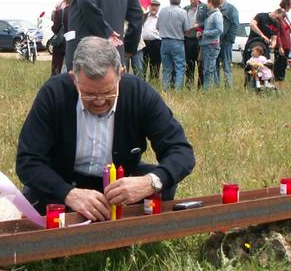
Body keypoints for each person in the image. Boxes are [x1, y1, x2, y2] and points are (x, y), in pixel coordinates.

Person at [16, 36, 196, 220]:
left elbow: (181, 151)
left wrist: (149, 182)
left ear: (121, 74)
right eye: (89, 94)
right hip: (63, 181)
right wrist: (68, 194)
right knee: (34, 202)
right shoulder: (54, 94)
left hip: (117, 186)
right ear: (73, 79)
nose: (100, 101)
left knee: (162, 184)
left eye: (108, 92)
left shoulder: (139, 93)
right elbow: (27, 161)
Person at [157, 0, 189, 90]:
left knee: (166, 68)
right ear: (179, 1)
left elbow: (157, 27)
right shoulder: (183, 12)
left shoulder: (162, 11)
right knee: (179, 67)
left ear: (170, 0)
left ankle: (165, 89)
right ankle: (178, 90)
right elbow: (186, 29)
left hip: (164, 41)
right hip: (177, 42)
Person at [214, 0, 239, 88]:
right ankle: (216, 87)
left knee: (226, 66)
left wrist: (229, 40)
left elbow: (235, 25)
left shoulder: (231, 9)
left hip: (226, 43)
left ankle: (228, 88)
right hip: (214, 42)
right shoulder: (213, 8)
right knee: (215, 66)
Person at [199, 0, 224, 90]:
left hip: (211, 45)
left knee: (208, 69)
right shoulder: (212, 15)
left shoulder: (216, 15)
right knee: (212, 69)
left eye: (208, 2)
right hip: (209, 44)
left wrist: (205, 33)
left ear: (211, 3)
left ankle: (206, 90)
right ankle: (216, 88)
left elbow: (219, 30)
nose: (207, 4)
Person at [183, 0, 206, 87]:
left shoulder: (204, 8)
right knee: (189, 64)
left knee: (200, 64)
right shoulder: (185, 8)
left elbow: (208, 21)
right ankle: (189, 84)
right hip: (188, 39)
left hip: (199, 40)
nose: (192, 1)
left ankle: (200, 86)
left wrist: (200, 26)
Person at [50, 0, 73, 76]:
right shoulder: (78, 14)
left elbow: (55, 29)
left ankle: (56, 84)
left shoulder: (60, 13)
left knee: (57, 68)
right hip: (73, 45)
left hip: (61, 44)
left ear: (65, 0)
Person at [273, 0, 291, 88]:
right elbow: (278, 33)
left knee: (283, 65)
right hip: (281, 46)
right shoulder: (279, 20)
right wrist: (280, 46)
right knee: (279, 66)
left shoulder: (285, 19)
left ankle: (280, 85)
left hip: (287, 45)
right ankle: (277, 85)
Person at [141, 0, 161, 79]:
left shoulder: (160, 18)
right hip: (144, 43)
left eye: (156, 6)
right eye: (152, 5)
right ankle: (143, 82)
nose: (154, 8)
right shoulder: (144, 16)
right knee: (143, 64)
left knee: (155, 65)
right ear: (149, 6)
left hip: (156, 43)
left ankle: (154, 82)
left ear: (158, 8)